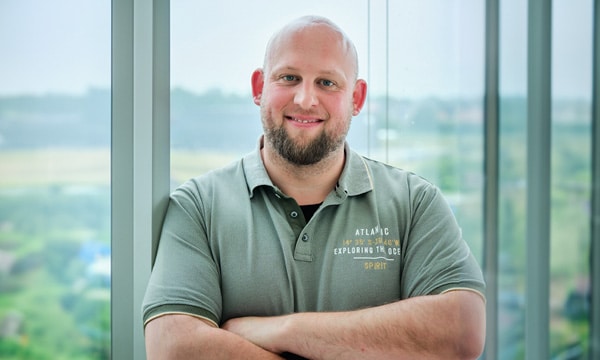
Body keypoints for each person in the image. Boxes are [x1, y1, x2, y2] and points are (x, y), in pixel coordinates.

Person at [142, 15, 486, 359]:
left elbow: (462, 332)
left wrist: (282, 329)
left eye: (327, 82)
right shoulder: (198, 206)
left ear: (357, 97)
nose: (306, 99)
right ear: (259, 87)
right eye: (289, 77)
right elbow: (172, 345)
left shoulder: (415, 203)